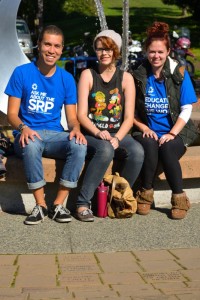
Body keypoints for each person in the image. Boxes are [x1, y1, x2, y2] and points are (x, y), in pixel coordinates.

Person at [5, 25, 87, 225]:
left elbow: (72, 119)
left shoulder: (66, 79)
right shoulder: (22, 73)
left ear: (61, 49)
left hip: (54, 135)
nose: (52, 50)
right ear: (39, 45)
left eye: (57, 46)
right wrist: (23, 128)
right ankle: (40, 205)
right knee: (31, 143)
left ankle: (58, 204)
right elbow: (12, 115)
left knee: (79, 145)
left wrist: (76, 129)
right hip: (27, 134)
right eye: (47, 44)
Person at [75, 29, 144, 222]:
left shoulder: (126, 78)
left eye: (109, 49)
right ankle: (82, 203)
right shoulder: (88, 75)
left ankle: (117, 198)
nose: (104, 53)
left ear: (116, 52)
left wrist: (117, 138)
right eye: (99, 49)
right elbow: (81, 115)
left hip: (118, 133)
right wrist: (98, 132)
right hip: (92, 133)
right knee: (105, 150)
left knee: (137, 152)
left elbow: (129, 117)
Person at [131, 22, 198, 220]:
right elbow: (130, 111)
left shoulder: (180, 72)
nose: (156, 56)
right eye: (152, 52)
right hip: (146, 129)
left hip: (177, 130)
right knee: (150, 145)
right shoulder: (138, 73)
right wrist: (143, 127)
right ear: (146, 51)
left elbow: (186, 109)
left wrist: (171, 134)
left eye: (160, 51)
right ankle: (145, 193)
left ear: (168, 51)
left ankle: (179, 198)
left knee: (167, 149)